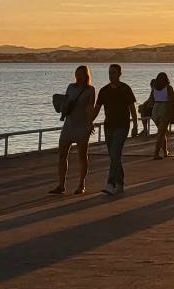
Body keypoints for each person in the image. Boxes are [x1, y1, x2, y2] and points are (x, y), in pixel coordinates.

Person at [93, 63, 137, 195]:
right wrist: (88, 122)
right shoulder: (104, 90)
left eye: (113, 72)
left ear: (119, 74)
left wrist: (135, 125)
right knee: (114, 156)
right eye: (109, 72)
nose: (111, 75)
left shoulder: (125, 89)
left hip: (122, 126)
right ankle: (120, 184)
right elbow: (96, 109)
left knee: (114, 153)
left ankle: (110, 184)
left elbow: (132, 108)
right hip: (109, 126)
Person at [51, 65, 95, 195]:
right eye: (77, 73)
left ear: (86, 75)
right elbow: (67, 102)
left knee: (82, 155)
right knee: (62, 154)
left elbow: (90, 107)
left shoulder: (90, 90)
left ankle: (81, 184)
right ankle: (61, 184)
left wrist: (90, 123)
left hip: (82, 125)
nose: (78, 76)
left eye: (81, 74)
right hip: (69, 124)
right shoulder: (70, 87)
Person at [148, 71, 174, 158]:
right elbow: (172, 100)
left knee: (162, 132)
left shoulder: (154, 89)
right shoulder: (168, 88)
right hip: (165, 109)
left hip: (155, 110)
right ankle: (156, 153)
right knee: (161, 133)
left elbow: (151, 101)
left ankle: (165, 152)